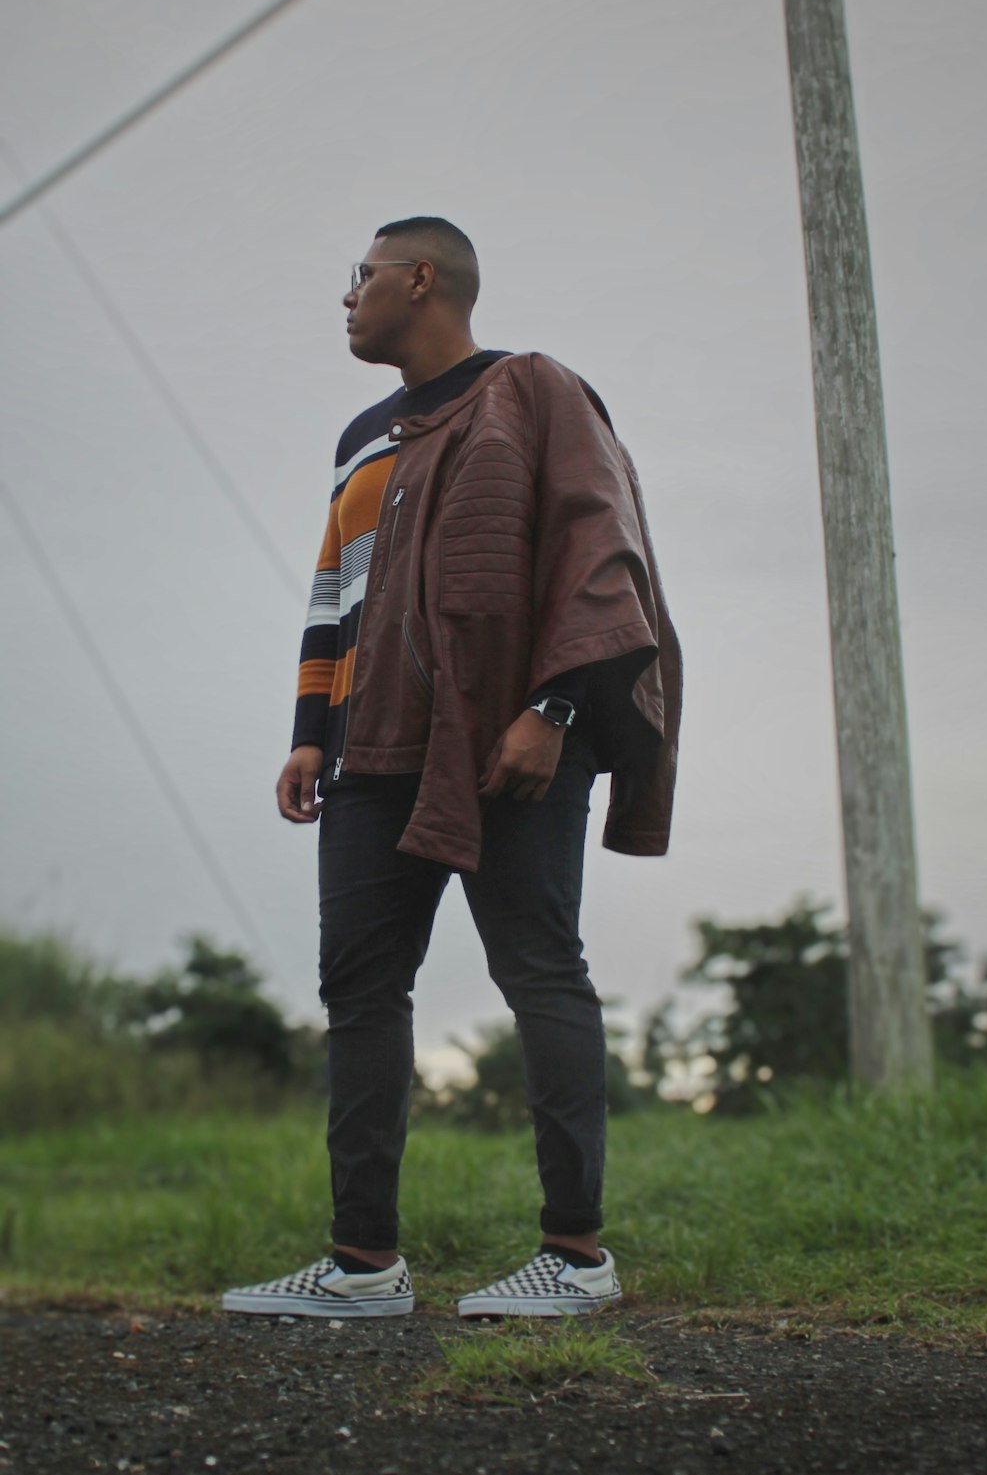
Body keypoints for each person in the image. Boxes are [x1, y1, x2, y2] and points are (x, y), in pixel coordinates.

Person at [223, 217, 681, 1320]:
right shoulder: (361, 435)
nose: (348, 299)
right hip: (370, 749)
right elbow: (339, 594)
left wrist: (552, 708)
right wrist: (306, 731)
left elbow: (595, 554)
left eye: (363, 277)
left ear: (418, 279)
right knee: (359, 991)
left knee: (539, 972)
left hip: (509, 739)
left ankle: (575, 1259)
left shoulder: (531, 391)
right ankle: (363, 1267)